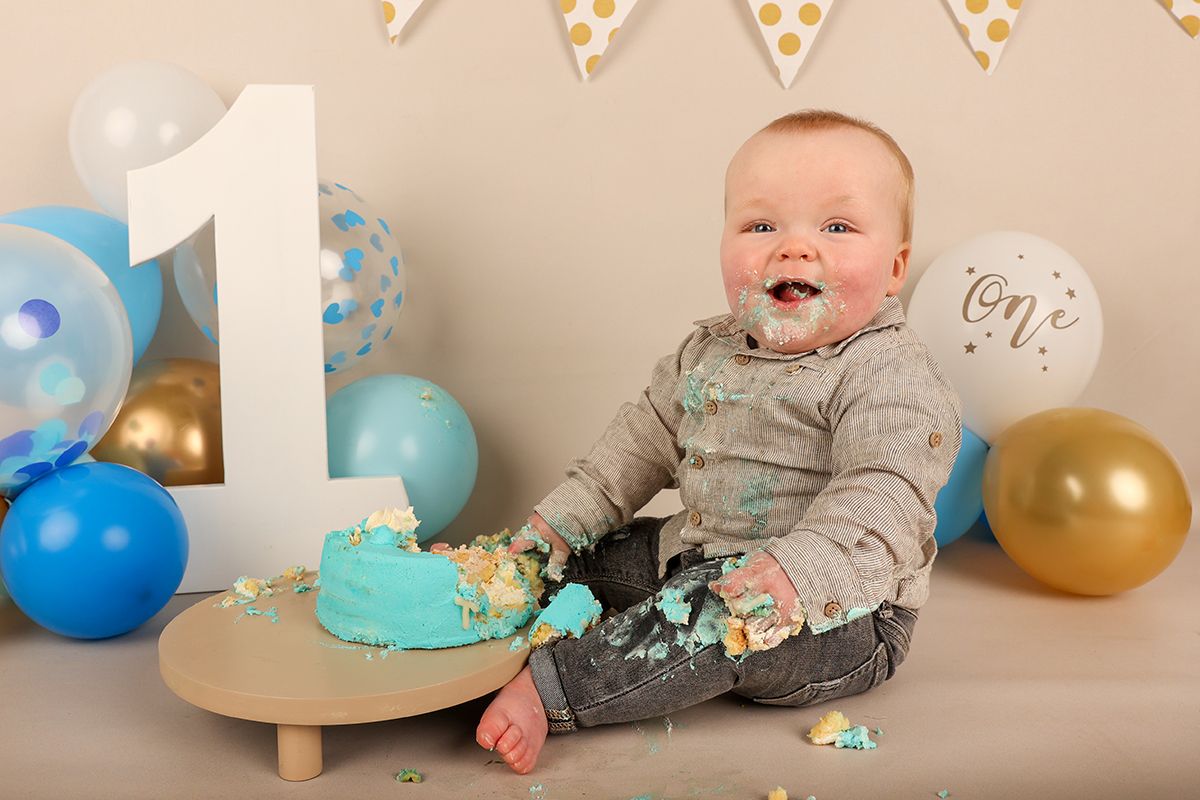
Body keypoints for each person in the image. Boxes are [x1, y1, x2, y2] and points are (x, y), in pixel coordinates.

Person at [475, 109, 963, 774]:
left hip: (833, 615)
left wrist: (792, 574)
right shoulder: (710, 353)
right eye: (762, 226)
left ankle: (554, 690)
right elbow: (634, 449)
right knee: (588, 557)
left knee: (711, 617)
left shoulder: (888, 374)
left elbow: (884, 496)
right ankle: (491, 598)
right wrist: (551, 530)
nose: (793, 248)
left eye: (837, 227)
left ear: (895, 268)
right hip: (698, 552)